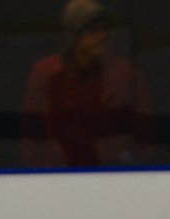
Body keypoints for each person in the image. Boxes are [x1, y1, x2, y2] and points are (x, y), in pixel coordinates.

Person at [21, 0, 152, 168]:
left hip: (111, 177)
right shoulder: (45, 74)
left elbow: (144, 135)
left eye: (105, 29)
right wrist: (43, 174)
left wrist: (125, 171)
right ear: (74, 34)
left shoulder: (125, 74)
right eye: (93, 30)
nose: (102, 36)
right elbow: (31, 134)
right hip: (57, 178)